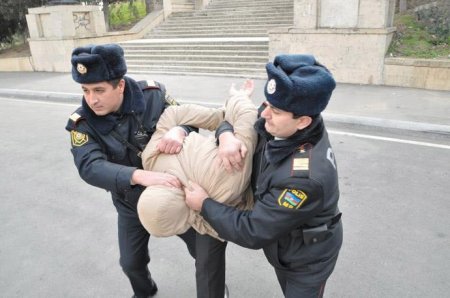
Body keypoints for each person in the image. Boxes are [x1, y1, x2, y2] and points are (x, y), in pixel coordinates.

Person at [64, 43, 225, 298]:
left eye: (99, 90)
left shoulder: (153, 95)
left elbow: (189, 118)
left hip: (177, 194)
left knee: (205, 255)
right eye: (85, 90)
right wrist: (139, 175)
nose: (91, 99)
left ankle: (216, 291)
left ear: (120, 85)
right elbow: (90, 166)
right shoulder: (82, 122)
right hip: (131, 202)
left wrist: (180, 130)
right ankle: (145, 292)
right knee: (131, 263)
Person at [184, 54, 343, 298]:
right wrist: (226, 135)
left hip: (306, 261)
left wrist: (204, 204)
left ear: (303, 122)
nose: (265, 114)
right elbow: (232, 119)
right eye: (267, 104)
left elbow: (253, 229)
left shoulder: (303, 178)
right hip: (283, 242)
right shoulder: (283, 117)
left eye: (275, 110)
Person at [137, 80, 257, 239]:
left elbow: (248, 118)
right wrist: (222, 116)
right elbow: (172, 113)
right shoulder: (151, 159)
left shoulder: (224, 184)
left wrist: (225, 122)